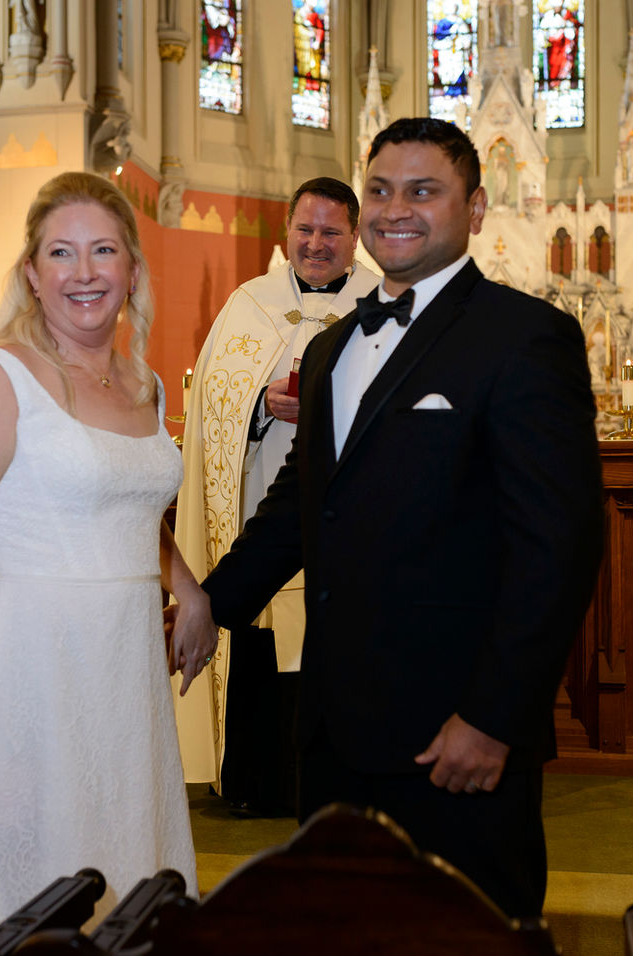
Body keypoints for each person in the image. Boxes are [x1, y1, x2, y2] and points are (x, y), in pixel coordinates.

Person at [197, 118, 603, 919]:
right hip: (333, 730)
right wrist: (213, 601)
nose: (395, 209)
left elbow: (559, 547)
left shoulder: (527, 338)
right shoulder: (330, 349)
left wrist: (494, 718)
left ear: (476, 208)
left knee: (472, 934)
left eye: (424, 190)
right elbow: (301, 505)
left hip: (455, 733)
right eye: (379, 190)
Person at [0, 171, 216, 934]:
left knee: (125, 864)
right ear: (31, 272)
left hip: (123, 682)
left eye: (103, 250)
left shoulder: (143, 385)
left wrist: (189, 588)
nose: (84, 273)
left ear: (132, 266)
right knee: (22, 882)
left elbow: (122, 505)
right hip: (28, 676)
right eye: (61, 253)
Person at [175, 177, 378, 815]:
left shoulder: (384, 303)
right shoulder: (248, 304)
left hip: (351, 521)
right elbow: (212, 402)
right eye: (306, 230)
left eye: (331, 233)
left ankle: (339, 788)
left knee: (338, 646)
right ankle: (257, 785)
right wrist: (261, 405)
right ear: (286, 234)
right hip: (263, 505)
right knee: (261, 639)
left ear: (355, 238)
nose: (316, 244)